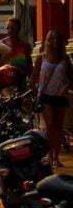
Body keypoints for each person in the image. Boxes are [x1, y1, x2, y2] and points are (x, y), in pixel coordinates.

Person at [30, 30, 73, 168]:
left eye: (57, 38)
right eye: (51, 38)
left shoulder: (65, 58)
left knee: (59, 127)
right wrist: (33, 92)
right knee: (49, 126)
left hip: (60, 96)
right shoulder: (41, 58)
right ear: (47, 41)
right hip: (45, 95)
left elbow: (71, 78)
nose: (54, 41)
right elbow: (34, 77)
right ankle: (49, 155)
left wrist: (65, 88)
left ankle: (56, 157)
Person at [1, 17, 33, 88]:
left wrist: (31, 81)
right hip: (4, 81)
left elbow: (29, 64)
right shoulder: (1, 44)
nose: (10, 30)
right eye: (7, 28)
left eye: (13, 28)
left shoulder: (25, 45)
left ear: (18, 29)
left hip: (20, 81)